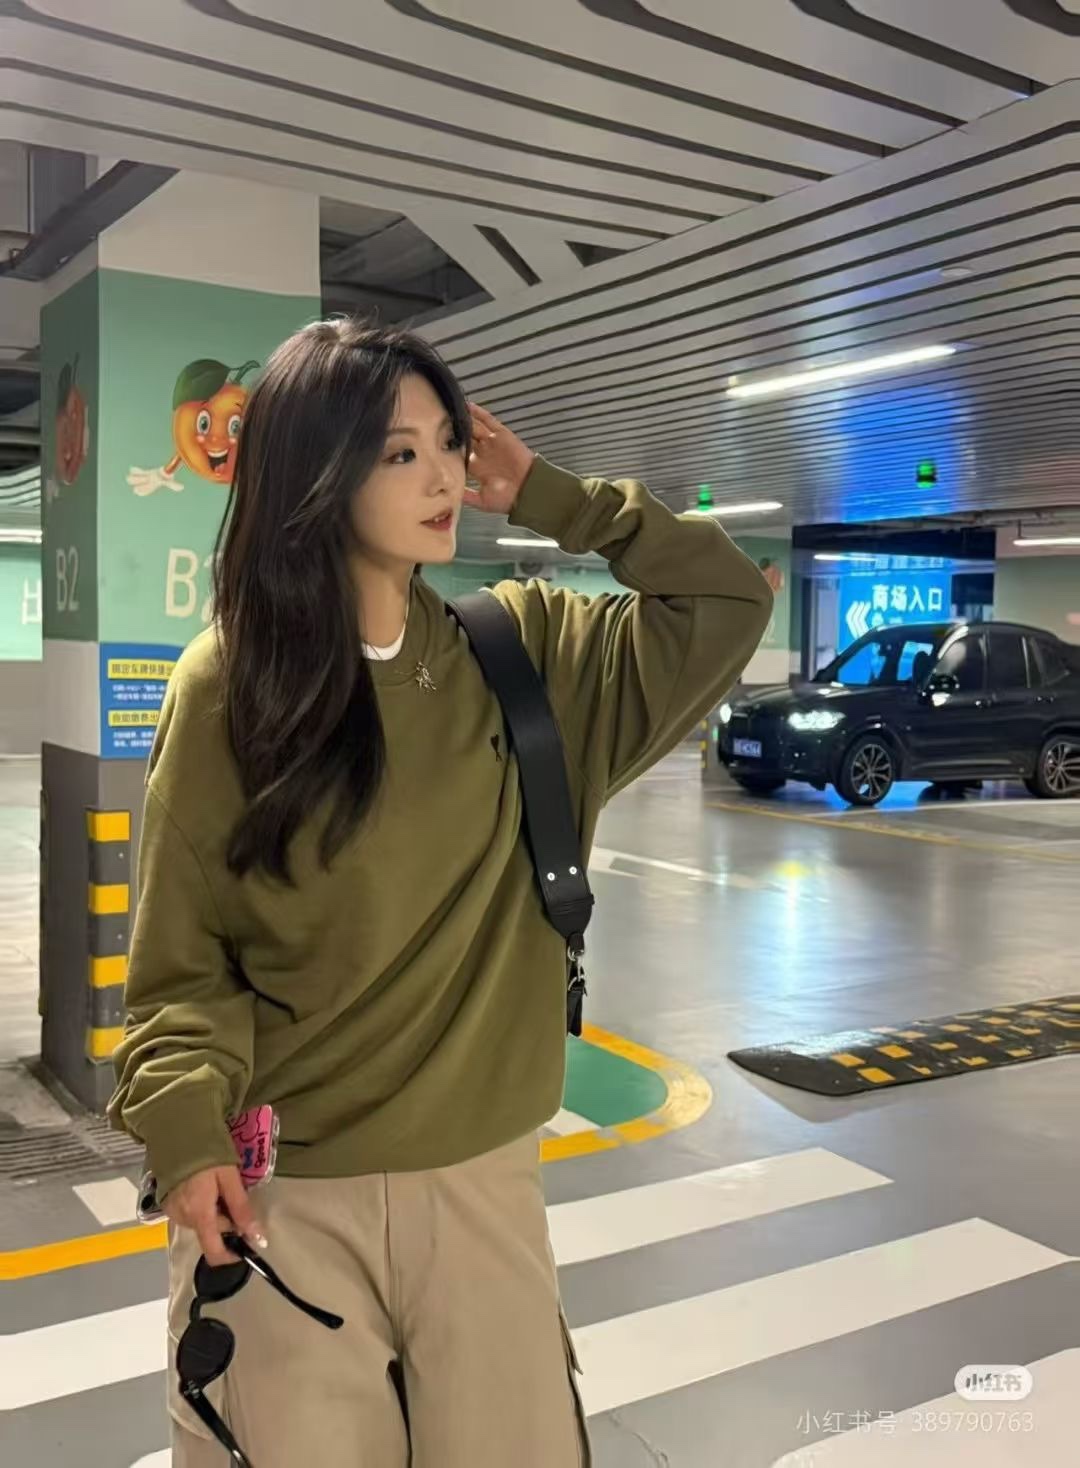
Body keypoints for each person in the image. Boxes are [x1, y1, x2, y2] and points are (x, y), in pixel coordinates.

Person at [109, 317, 772, 1466]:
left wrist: (559, 497)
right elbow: (182, 959)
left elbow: (724, 603)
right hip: (286, 1203)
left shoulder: (524, 656)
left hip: (482, 1192)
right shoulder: (231, 686)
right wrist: (183, 1129)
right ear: (315, 472)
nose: (443, 476)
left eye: (449, 444)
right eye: (398, 451)